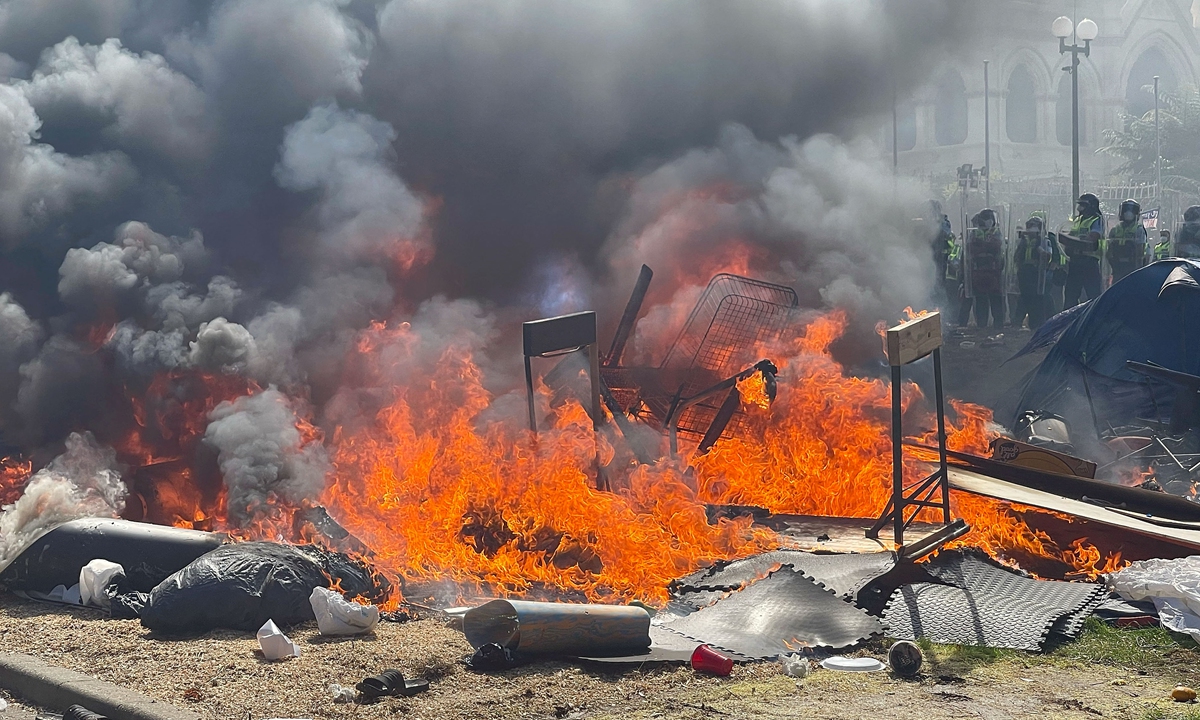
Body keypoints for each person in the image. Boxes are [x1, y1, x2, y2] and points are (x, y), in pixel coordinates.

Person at [1060, 193, 1105, 308]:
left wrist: (1075, 240)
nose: (1080, 208)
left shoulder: (1097, 220)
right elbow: (1069, 236)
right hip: (1075, 261)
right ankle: (1069, 321)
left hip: (1089, 261)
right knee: (1070, 294)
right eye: (1079, 205)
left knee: (1093, 294)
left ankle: (1094, 320)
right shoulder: (1077, 220)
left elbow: (1093, 237)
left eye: (1083, 205)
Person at [966, 208, 1005, 329]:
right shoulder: (974, 232)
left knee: (996, 299)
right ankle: (981, 325)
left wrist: (981, 245)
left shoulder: (996, 232)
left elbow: (997, 246)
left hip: (994, 270)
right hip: (978, 269)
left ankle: (998, 324)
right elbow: (970, 248)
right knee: (981, 299)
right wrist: (985, 247)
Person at [1013, 215, 1050, 330]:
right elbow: (1017, 256)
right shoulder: (1023, 241)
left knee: (1035, 299)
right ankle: (1016, 322)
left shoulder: (1044, 241)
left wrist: (1039, 250)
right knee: (1023, 298)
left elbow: (1047, 256)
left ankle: (1036, 324)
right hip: (1024, 272)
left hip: (1036, 273)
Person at [1106, 199, 1148, 283]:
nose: (1128, 213)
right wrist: (1112, 265)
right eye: (1125, 210)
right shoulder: (1115, 229)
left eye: (1131, 210)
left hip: (1132, 265)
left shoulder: (1139, 229)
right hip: (1117, 266)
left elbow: (1141, 249)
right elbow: (1109, 249)